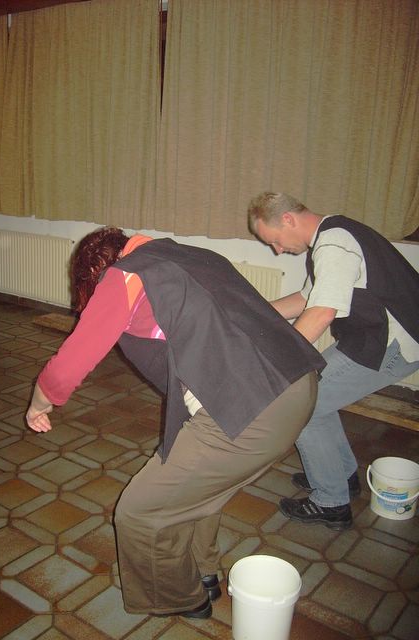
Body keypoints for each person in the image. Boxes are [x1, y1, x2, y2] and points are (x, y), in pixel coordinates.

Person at [26, 226, 325, 618]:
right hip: (296, 383)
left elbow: (67, 367)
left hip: (253, 408)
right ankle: (203, 570)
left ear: (93, 274)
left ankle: (182, 598)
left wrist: (38, 404)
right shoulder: (189, 256)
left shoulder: (124, 277)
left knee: (139, 511)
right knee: (194, 486)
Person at [248, 192, 419, 530]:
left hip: (391, 345)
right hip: (371, 340)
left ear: (287, 220)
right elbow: (307, 298)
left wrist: (279, 362)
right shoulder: (332, 236)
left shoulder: (334, 244)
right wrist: (256, 313)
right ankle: (341, 475)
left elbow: (322, 312)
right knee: (314, 399)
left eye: (275, 241)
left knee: (301, 405)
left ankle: (331, 502)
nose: (277, 250)